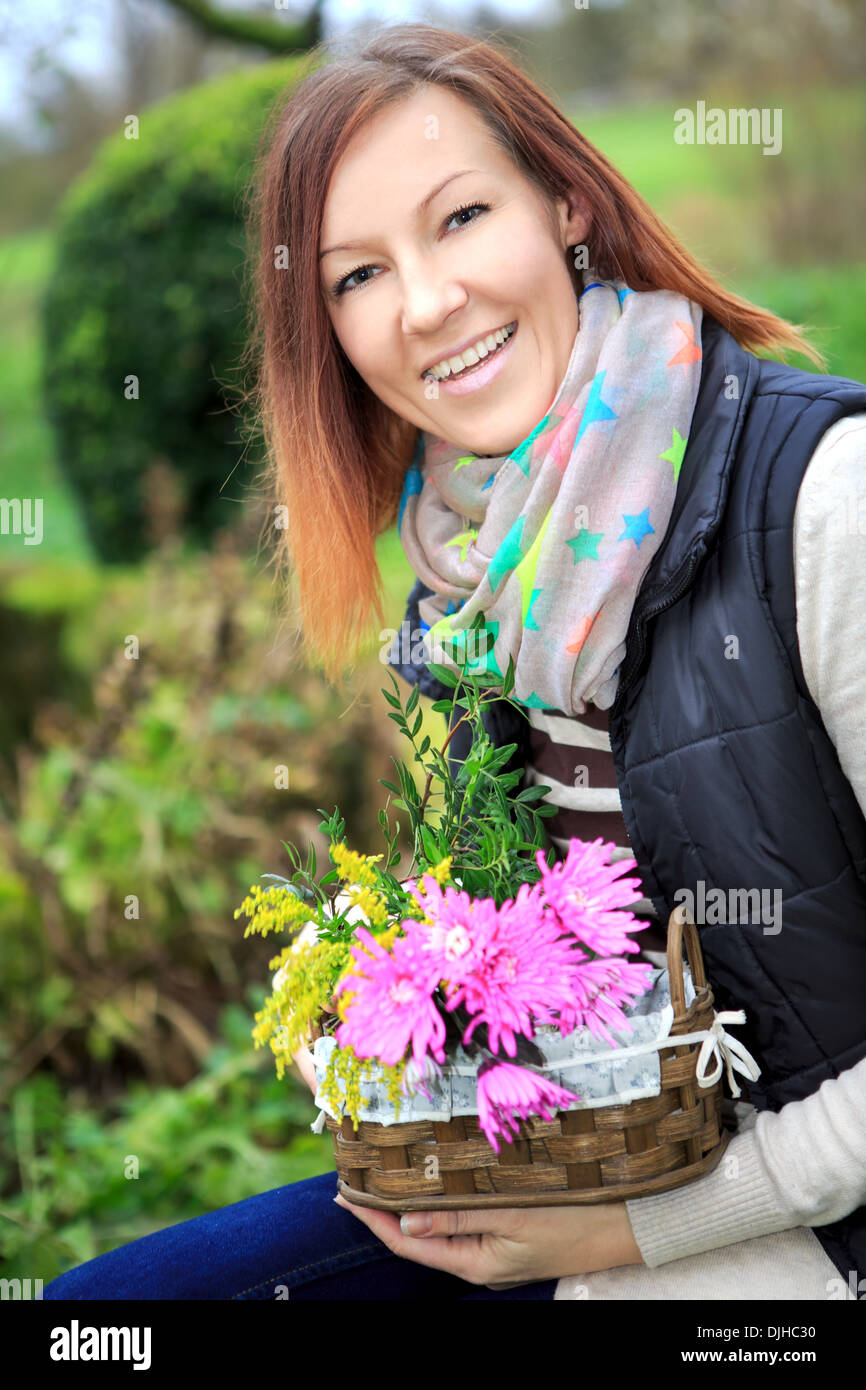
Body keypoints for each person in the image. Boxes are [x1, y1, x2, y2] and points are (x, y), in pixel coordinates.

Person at [45, 21, 866, 1302]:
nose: (426, 305)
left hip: (794, 1238)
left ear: (564, 204)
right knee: (105, 1321)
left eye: (462, 217)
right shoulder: (464, 578)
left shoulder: (820, 501)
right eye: (355, 276)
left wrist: (630, 1238)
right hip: (567, 1187)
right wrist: (391, 1023)